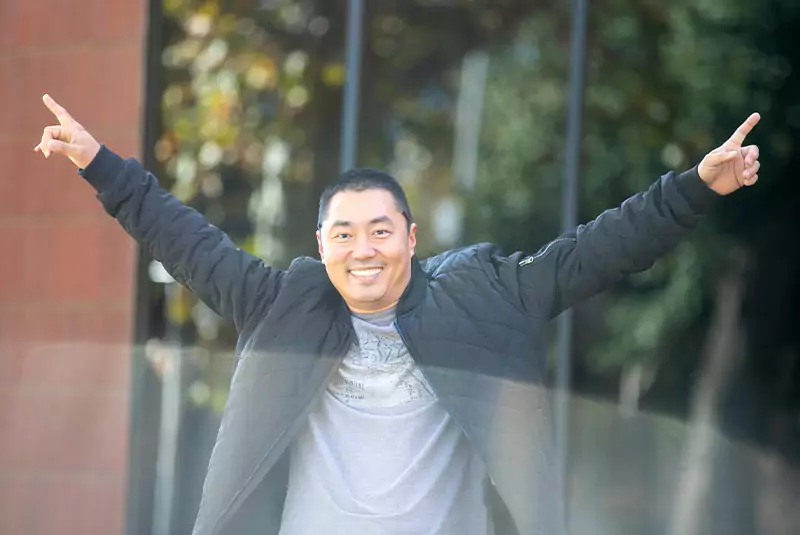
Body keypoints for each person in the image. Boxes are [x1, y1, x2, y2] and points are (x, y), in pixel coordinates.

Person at [36, 93, 760, 535]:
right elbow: (180, 234)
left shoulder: (484, 295)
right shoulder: (279, 302)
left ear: (411, 238)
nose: (364, 250)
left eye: (381, 230)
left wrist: (695, 186)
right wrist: (98, 161)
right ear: (320, 247)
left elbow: (594, 253)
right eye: (344, 235)